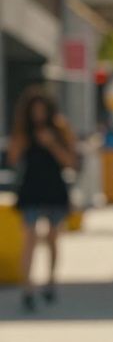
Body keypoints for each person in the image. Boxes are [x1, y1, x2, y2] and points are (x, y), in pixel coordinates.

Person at [7, 85, 79, 311]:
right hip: (31, 190)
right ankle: (28, 289)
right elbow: (12, 159)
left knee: (52, 238)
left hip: (54, 190)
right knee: (28, 239)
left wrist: (52, 144)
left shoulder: (59, 128)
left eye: (41, 109)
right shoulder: (23, 132)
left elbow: (70, 162)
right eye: (34, 110)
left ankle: (50, 281)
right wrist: (22, 142)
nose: (38, 114)